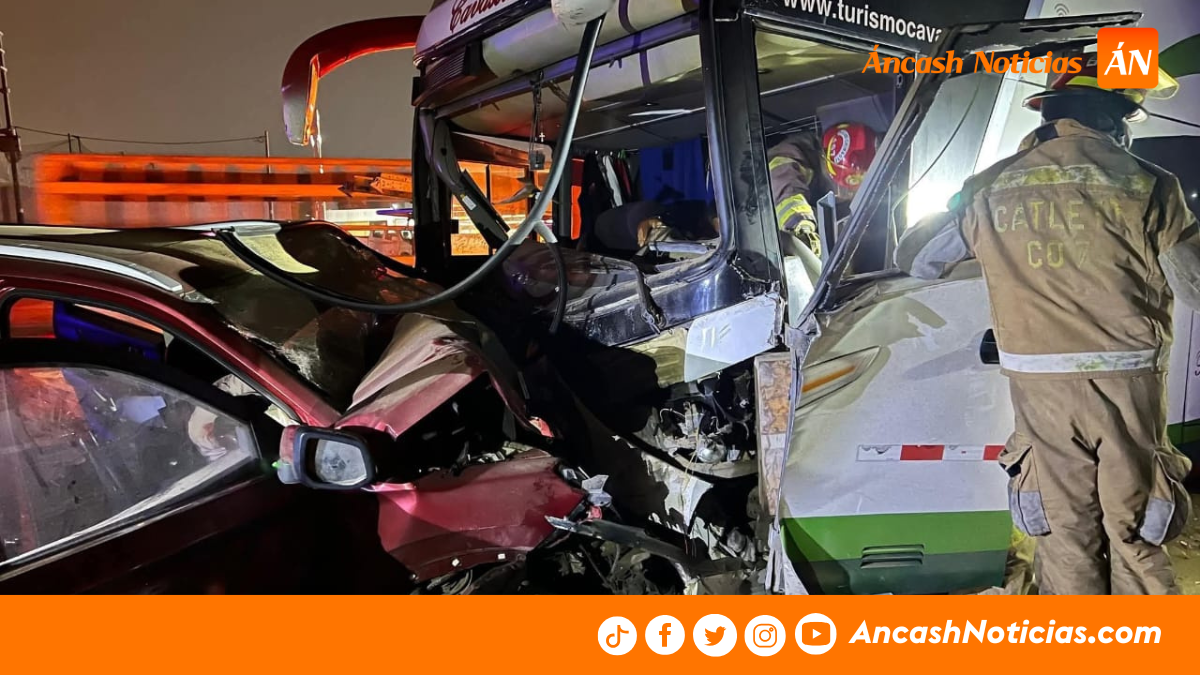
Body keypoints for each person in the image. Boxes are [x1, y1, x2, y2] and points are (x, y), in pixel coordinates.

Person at [895, 56, 1199, 594]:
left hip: (1040, 394)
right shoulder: (1150, 184)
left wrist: (981, 225)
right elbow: (1195, 284)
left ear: (1049, 115)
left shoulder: (988, 185)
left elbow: (916, 258)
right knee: (1134, 534)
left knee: (1064, 536)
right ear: (1111, 119)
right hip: (1128, 389)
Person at [767, 122, 876, 257]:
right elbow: (787, 193)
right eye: (847, 188)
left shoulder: (851, 175)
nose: (846, 194)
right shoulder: (790, 158)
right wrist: (802, 229)